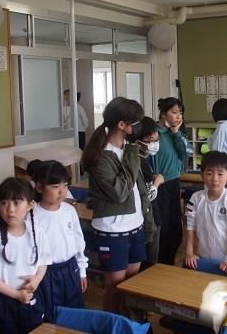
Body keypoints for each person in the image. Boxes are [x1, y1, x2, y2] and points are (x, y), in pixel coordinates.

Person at [82, 97, 155, 313]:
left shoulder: (127, 147)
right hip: (113, 231)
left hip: (135, 226)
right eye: (135, 122)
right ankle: (113, 324)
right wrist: (132, 156)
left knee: (132, 284)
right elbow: (120, 192)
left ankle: (130, 324)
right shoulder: (101, 155)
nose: (139, 126)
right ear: (122, 125)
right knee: (114, 287)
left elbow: (138, 189)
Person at [0, 177, 52, 333]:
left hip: (30, 295)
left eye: (16, 203)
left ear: (30, 205)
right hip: (3, 301)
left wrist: (36, 280)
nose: (10, 209)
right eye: (4, 203)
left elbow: (44, 261)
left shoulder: (37, 232)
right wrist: (16, 294)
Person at [33, 160, 88, 322]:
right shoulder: (32, 216)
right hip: (46, 273)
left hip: (70, 269)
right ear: (39, 187)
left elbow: (79, 242)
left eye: (65, 185)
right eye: (55, 186)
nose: (62, 191)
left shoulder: (69, 210)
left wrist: (82, 271)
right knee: (52, 316)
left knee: (75, 314)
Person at [185, 151, 227, 275]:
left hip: (226, 262)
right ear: (202, 175)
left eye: (220, 174)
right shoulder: (195, 198)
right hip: (203, 258)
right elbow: (190, 229)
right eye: (209, 173)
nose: (214, 179)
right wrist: (189, 253)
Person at [149, 97, 187, 265]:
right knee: (163, 229)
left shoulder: (175, 133)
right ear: (164, 114)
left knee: (175, 229)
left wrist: (176, 132)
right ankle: (160, 265)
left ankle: (169, 263)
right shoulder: (154, 132)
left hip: (173, 182)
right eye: (174, 112)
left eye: (180, 113)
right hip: (159, 184)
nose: (178, 116)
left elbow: (186, 152)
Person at [132, 116, 165, 268]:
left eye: (157, 140)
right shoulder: (138, 162)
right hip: (148, 219)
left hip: (150, 217)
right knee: (149, 263)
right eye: (151, 141)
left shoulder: (143, 159)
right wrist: (157, 182)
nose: (155, 144)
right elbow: (146, 196)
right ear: (137, 141)